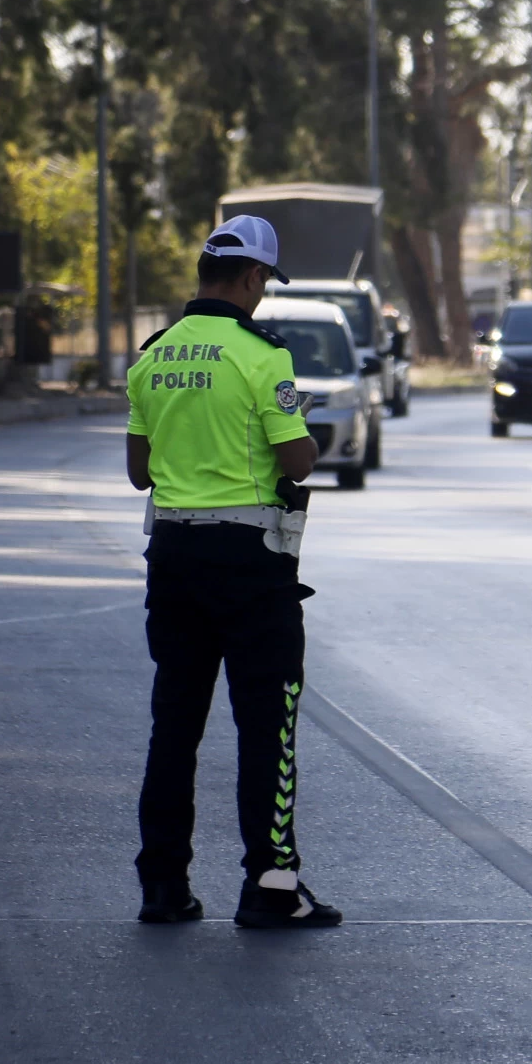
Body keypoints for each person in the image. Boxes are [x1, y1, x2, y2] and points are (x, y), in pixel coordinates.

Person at [124, 214, 341, 929]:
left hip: (174, 559)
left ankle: (163, 886)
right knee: (267, 726)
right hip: (251, 564)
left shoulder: (152, 357)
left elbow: (138, 472)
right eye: (265, 284)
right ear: (252, 278)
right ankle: (271, 888)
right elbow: (297, 460)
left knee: (174, 725)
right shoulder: (261, 355)